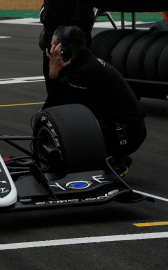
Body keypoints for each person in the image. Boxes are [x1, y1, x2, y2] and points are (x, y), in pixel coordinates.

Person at [43, 26, 147, 177]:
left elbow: (61, 108)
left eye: (53, 46)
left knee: (69, 127)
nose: (50, 50)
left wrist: (53, 74)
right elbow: (52, 103)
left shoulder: (86, 71)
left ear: (64, 49)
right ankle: (115, 156)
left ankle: (114, 160)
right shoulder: (84, 62)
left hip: (127, 134)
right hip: (126, 127)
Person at [40, 0, 96, 94]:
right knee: (52, 81)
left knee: (75, 86)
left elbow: (82, 14)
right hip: (52, 36)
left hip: (72, 43)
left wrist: (67, 39)